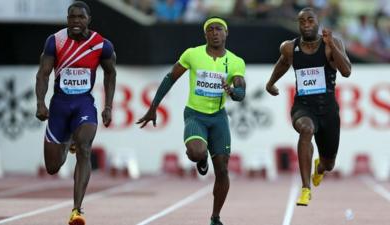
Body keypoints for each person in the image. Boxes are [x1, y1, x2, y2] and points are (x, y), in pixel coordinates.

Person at [137, 17, 246, 225]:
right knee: (196, 152)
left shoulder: (235, 61)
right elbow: (170, 77)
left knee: (222, 170)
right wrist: (153, 107)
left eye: (219, 29)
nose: (215, 33)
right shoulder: (192, 54)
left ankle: (215, 217)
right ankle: (202, 158)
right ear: (205, 34)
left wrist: (232, 90)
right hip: (195, 115)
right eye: (210, 30)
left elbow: (241, 93)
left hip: (219, 118)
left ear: (226, 33)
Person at [35, 1, 116, 224]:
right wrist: (41, 103)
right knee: (52, 167)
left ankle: (76, 210)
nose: (76, 21)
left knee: (85, 148)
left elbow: (110, 74)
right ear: (67, 19)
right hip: (60, 106)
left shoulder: (102, 45)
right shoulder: (56, 41)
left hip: (84, 105)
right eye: (72, 17)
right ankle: (68, 137)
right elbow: (43, 74)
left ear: (88, 19)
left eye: (80, 17)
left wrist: (108, 106)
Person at [265, 7, 351, 206]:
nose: (305, 24)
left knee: (329, 164)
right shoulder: (289, 47)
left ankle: (319, 168)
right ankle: (305, 189)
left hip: (328, 110)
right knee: (306, 129)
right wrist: (270, 83)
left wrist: (331, 44)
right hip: (303, 107)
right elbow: (283, 64)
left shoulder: (332, 44)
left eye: (310, 20)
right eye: (301, 21)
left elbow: (346, 71)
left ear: (318, 22)